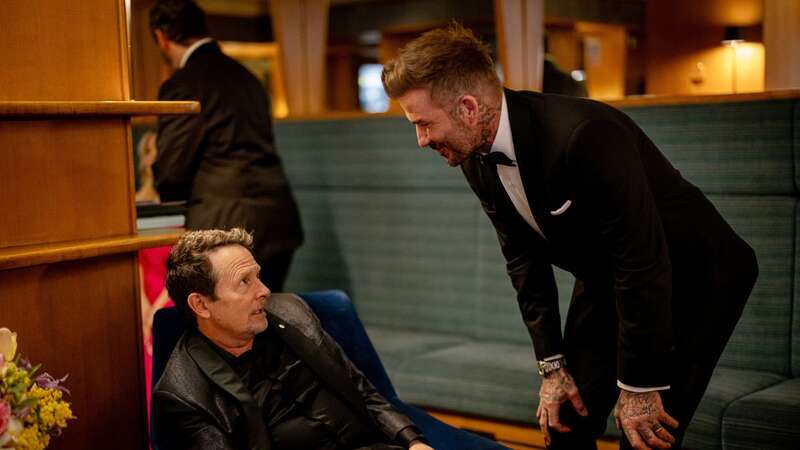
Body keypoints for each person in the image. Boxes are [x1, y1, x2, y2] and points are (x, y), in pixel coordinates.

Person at [381, 24, 758, 450]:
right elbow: (523, 260)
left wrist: (638, 384)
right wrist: (551, 366)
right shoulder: (472, 155)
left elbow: (642, 259)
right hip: (610, 275)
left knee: (647, 435)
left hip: (697, 276)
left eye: (425, 124)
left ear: (468, 107)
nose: (421, 140)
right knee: (565, 423)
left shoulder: (583, 135)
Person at [152, 228, 434, 450]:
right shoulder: (185, 395)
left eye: (258, 277)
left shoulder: (290, 311)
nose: (264, 291)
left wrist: (412, 441)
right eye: (243, 282)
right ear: (201, 305)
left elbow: (360, 388)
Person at [149, 0, 303, 291]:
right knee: (266, 314)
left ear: (161, 38)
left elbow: (171, 172)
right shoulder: (249, 78)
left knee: (225, 326)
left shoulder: (182, 85)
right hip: (278, 218)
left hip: (224, 227)